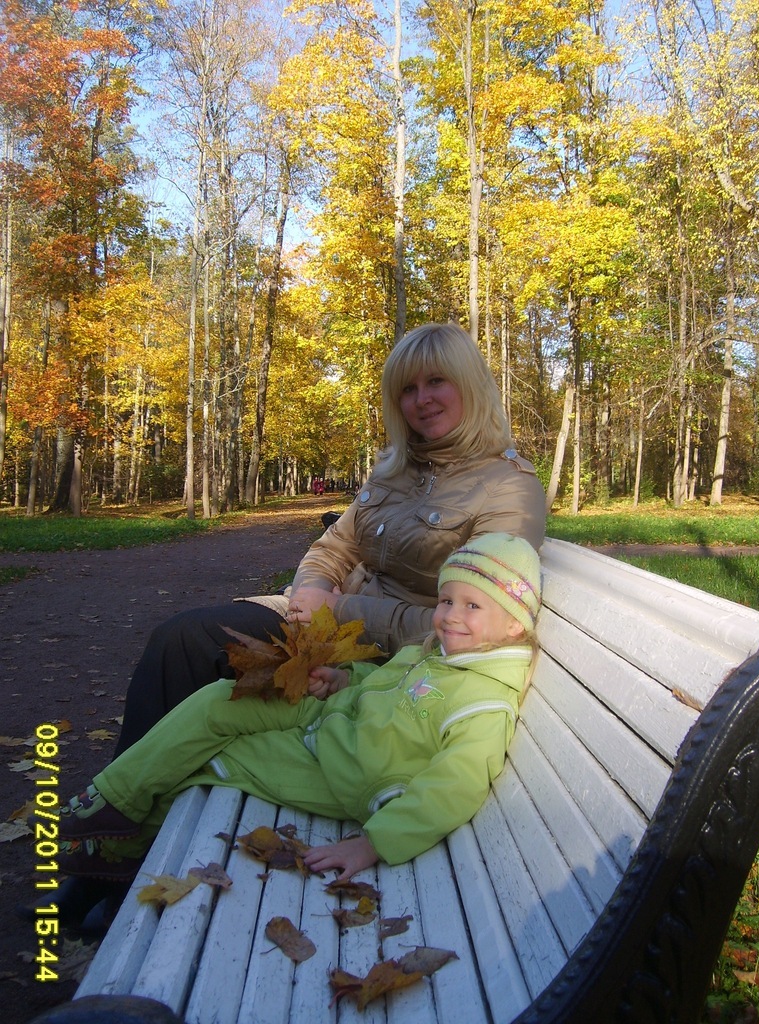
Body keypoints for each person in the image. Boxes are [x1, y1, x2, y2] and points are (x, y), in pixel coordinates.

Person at [113, 322, 546, 757]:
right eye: (407, 389)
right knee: (181, 641)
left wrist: (338, 610)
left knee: (192, 645)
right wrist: (311, 599)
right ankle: (126, 787)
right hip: (324, 627)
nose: (421, 399)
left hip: (388, 659)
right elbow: (333, 547)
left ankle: (133, 790)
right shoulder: (395, 471)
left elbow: (474, 624)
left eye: (436, 381)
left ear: (470, 384)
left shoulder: (508, 488)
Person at [57, 533, 541, 884]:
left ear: (515, 625)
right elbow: (382, 680)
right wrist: (345, 678)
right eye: (447, 600)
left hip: (348, 771)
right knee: (221, 698)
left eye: (472, 606)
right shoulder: (435, 652)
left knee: (216, 761)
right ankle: (112, 798)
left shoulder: (483, 703)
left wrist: (376, 842)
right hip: (331, 719)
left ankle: (121, 849)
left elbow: (455, 786)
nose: (450, 616)